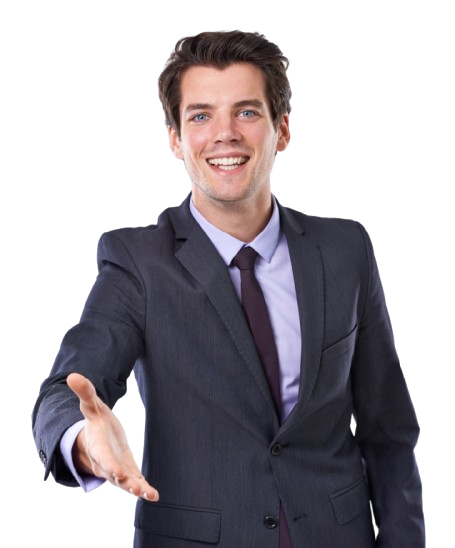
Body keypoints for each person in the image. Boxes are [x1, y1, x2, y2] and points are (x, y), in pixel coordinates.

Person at [31, 29, 425, 547]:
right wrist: (84, 439)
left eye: (246, 112)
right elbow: (65, 389)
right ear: (174, 139)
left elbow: (389, 431)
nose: (225, 134)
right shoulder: (137, 261)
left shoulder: (345, 249)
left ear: (282, 129)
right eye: (200, 116)